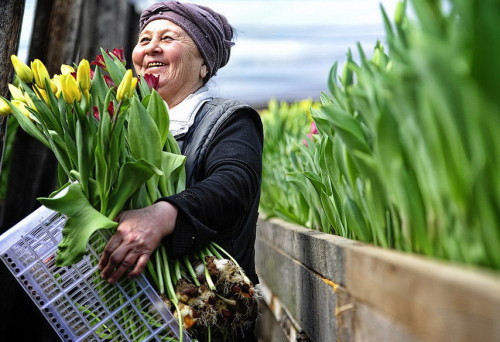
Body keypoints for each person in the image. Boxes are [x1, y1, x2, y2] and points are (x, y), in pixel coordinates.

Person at [98, 1, 263, 340]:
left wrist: (163, 214)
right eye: (144, 40)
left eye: (168, 37)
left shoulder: (228, 120)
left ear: (204, 63)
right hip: (124, 312)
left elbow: (234, 184)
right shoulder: (118, 125)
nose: (151, 48)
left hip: (204, 314)